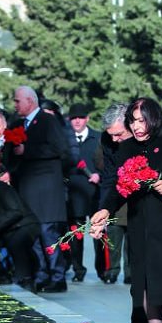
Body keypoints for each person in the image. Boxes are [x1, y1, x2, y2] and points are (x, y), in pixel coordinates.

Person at [91, 97, 162, 323]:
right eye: (133, 121)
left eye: (141, 121)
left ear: (153, 119)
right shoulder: (126, 149)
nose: (136, 127)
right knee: (143, 280)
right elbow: (116, 185)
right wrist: (105, 209)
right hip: (141, 221)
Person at [7, 85, 71, 293]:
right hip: (26, 188)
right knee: (33, 235)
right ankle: (41, 274)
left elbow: (60, 149)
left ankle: (58, 276)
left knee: (47, 234)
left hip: (45, 190)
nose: (15, 104)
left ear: (30, 101)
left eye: (18, 100)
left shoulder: (47, 121)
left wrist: (28, 150)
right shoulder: (17, 124)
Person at [97, 104, 147, 323]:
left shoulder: (153, 134)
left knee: (156, 275)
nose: (115, 140)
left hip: (157, 207)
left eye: (119, 134)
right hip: (129, 204)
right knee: (137, 274)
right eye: (111, 136)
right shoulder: (109, 142)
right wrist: (103, 210)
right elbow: (110, 177)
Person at [65, 103, 101, 283]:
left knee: (98, 233)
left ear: (87, 119)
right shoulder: (65, 139)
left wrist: (98, 175)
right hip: (74, 194)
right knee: (76, 235)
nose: (77, 121)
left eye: (80, 118)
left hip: (95, 193)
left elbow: (107, 163)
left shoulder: (98, 138)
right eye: (73, 118)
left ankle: (103, 270)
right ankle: (78, 269)